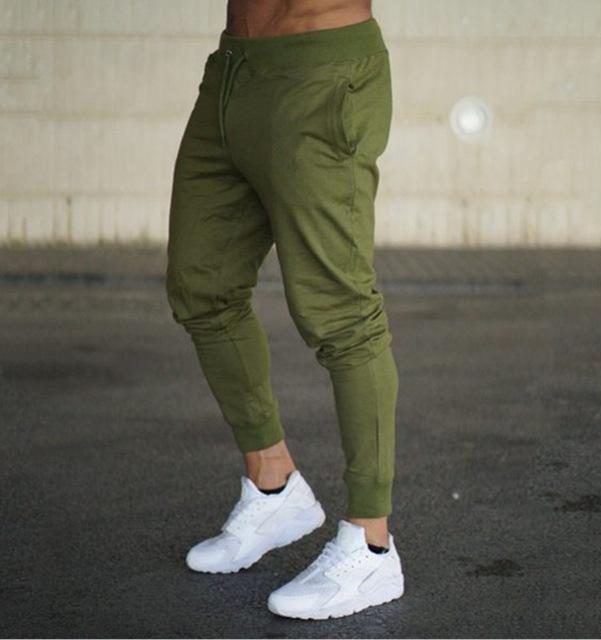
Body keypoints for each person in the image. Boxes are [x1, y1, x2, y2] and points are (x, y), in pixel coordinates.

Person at [166, 0, 403, 619]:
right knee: (201, 284)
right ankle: (274, 487)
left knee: (340, 313)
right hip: (233, 70)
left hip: (322, 74)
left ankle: (372, 546)